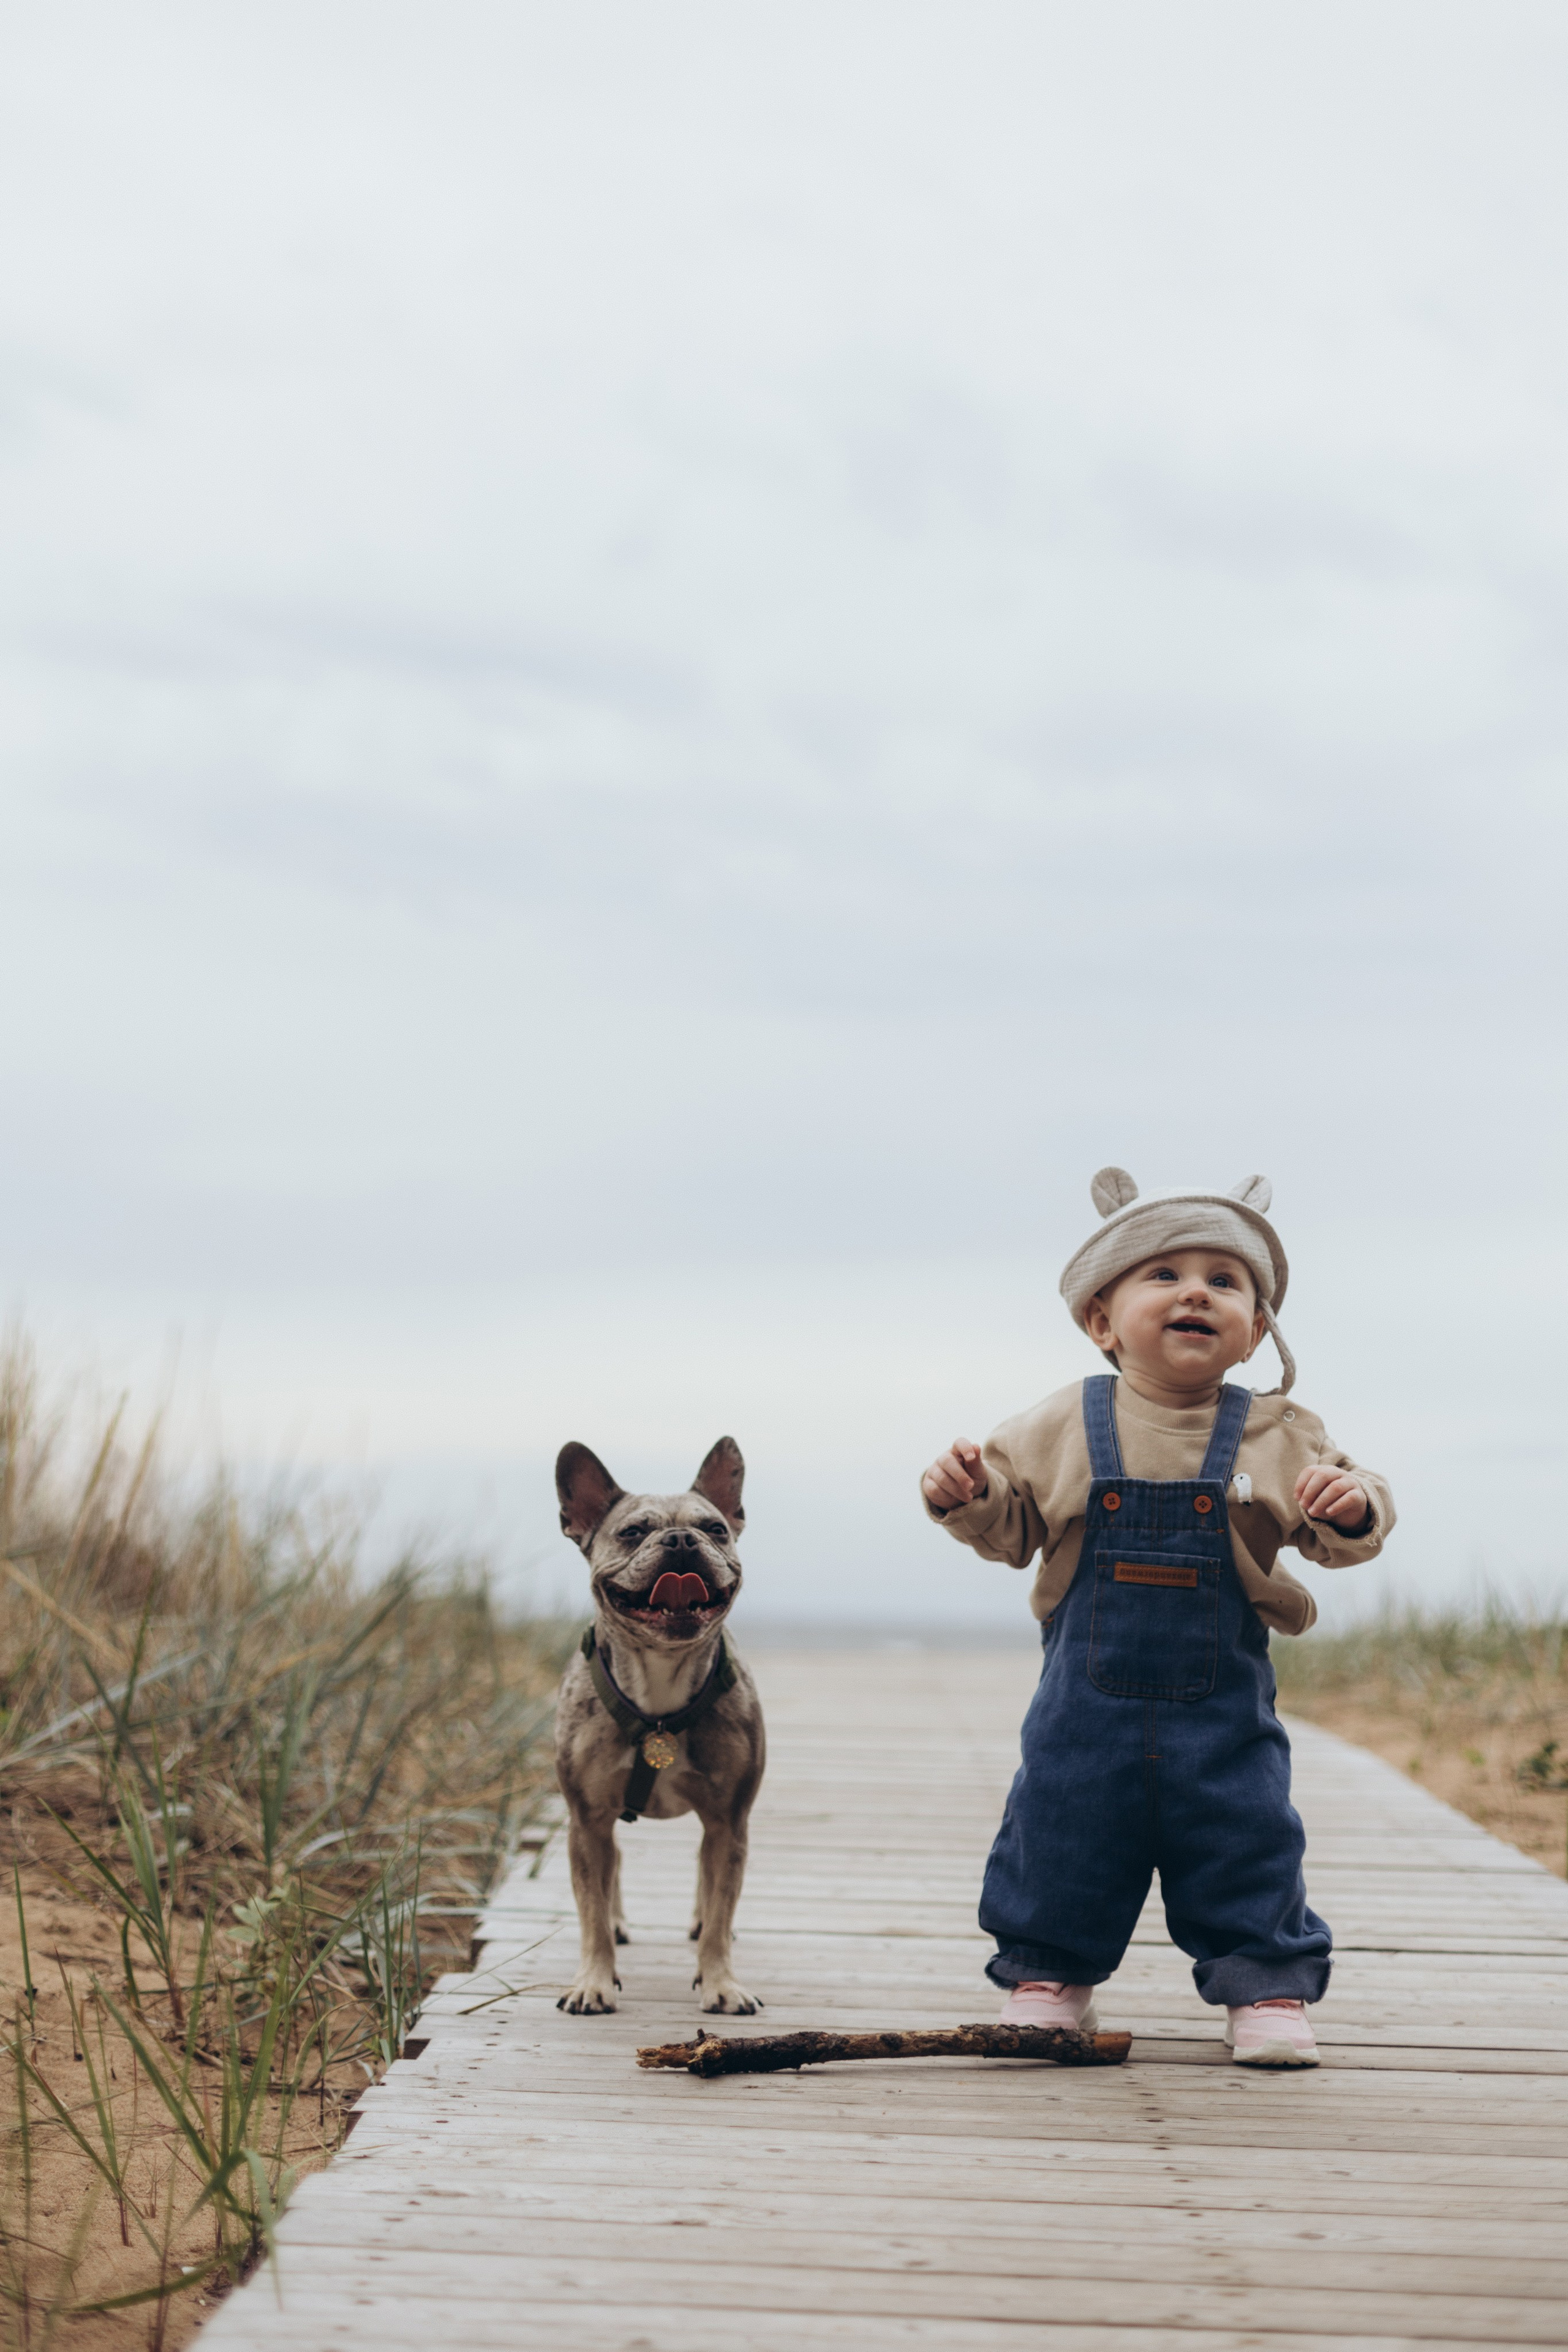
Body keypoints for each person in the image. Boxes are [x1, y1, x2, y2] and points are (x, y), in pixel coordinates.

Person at [921, 1169, 1392, 2067]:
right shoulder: (1062, 1420)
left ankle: (1266, 1985)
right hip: (1081, 1707)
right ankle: (1048, 1977)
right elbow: (1013, 1527)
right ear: (1102, 1320)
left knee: (1246, 1833)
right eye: (1165, 1274)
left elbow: (1351, 1526)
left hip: (1222, 1703)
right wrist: (968, 1494)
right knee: (1061, 1826)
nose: (1195, 1292)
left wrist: (1350, 1506)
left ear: (1256, 1330)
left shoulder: (1281, 1433)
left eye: (1224, 1280)